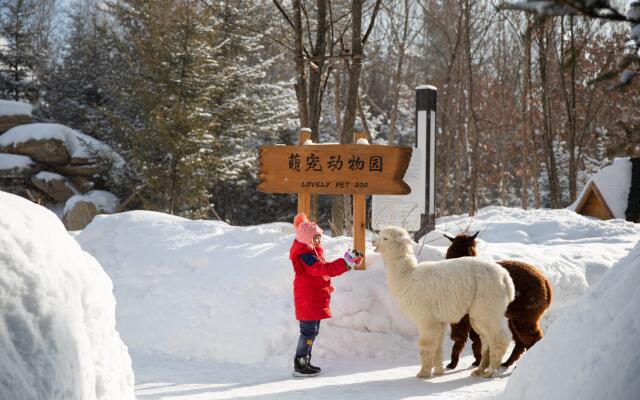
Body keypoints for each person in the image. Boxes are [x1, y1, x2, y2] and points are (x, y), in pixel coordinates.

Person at [290, 213, 363, 377]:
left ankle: (304, 362)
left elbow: (324, 271)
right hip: (307, 299)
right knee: (308, 332)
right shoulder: (305, 256)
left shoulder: (312, 251)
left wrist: (347, 262)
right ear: (307, 238)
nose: (319, 241)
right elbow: (323, 270)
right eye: (316, 238)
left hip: (313, 298)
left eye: (319, 237)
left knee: (312, 332)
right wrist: (346, 262)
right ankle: (300, 363)